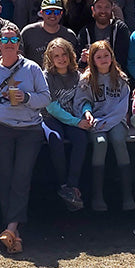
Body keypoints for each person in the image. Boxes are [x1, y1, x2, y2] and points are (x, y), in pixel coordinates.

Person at [0, 25, 49, 254]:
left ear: (19, 44)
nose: (9, 43)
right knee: (6, 177)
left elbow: (46, 98)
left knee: (22, 175)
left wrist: (26, 97)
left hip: (29, 130)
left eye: (14, 39)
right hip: (1, 129)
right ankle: (14, 235)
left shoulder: (32, 68)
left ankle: (10, 227)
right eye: (5, 40)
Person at [75, 40, 134, 212]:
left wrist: (107, 122)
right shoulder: (86, 79)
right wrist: (88, 114)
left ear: (112, 57)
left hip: (116, 121)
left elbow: (122, 108)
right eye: (98, 57)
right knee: (100, 143)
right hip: (96, 121)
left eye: (106, 55)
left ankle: (127, 195)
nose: (103, 59)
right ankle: (98, 196)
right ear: (92, 60)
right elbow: (82, 101)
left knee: (117, 140)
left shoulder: (121, 78)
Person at [40, 38, 88, 211]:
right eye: (56, 56)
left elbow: (84, 100)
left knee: (81, 139)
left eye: (64, 54)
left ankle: (73, 185)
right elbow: (52, 107)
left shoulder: (77, 76)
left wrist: (85, 115)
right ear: (50, 59)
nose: (61, 59)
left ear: (70, 55)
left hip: (73, 117)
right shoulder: (46, 77)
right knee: (55, 139)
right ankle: (63, 185)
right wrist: (77, 122)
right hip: (51, 118)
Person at [78, 0, 131, 71]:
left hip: (115, 76)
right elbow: (80, 65)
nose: (103, 11)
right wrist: (83, 60)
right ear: (93, 9)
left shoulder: (120, 29)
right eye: (99, 7)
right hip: (92, 76)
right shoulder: (85, 32)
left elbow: (122, 60)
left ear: (112, 8)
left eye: (107, 7)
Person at [21, 0, 79, 66]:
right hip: (33, 75)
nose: (52, 15)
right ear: (41, 13)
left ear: (61, 14)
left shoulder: (69, 35)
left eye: (56, 12)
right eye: (48, 12)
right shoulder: (28, 32)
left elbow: (74, 62)